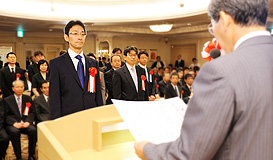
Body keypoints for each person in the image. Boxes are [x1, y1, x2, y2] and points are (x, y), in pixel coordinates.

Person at [134, 0, 273, 159]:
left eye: (212, 28)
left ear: (224, 19)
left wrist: (147, 150)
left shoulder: (220, 70)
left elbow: (189, 154)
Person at [49, 20, 103, 119]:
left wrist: (100, 116)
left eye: (83, 34)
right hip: (68, 117)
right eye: (75, 34)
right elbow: (54, 97)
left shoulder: (93, 63)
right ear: (66, 37)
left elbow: (98, 94)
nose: (80, 37)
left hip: (91, 116)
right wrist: (56, 122)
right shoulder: (56, 64)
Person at [4, 80, 36, 160]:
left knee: (33, 130)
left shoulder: (28, 98)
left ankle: (31, 155)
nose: (19, 89)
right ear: (13, 88)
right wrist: (14, 123)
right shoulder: (7, 100)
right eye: (17, 87)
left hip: (25, 122)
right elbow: (6, 115)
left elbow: (32, 112)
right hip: (13, 124)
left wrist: (28, 122)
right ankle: (18, 157)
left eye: (21, 87)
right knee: (14, 132)